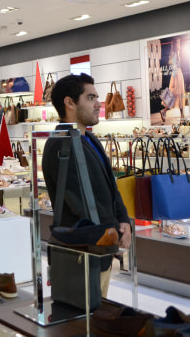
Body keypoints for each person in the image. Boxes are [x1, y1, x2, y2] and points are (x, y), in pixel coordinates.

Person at [41, 73, 131, 297]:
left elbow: (110, 187)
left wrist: (123, 220)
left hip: (99, 249)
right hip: (80, 252)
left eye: (97, 97)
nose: (98, 103)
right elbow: (79, 201)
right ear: (69, 103)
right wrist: (109, 233)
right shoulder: (61, 145)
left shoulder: (89, 139)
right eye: (90, 98)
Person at [159, 37, 186, 123]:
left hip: (179, 74)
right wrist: (174, 81)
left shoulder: (176, 52)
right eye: (178, 43)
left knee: (180, 95)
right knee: (175, 95)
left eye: (179, 42)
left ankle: (182, 116)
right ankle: (164, 110)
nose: (179, 44)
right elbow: (174, 67)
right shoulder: (174, 53)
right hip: (176, 75)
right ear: (175, 44)